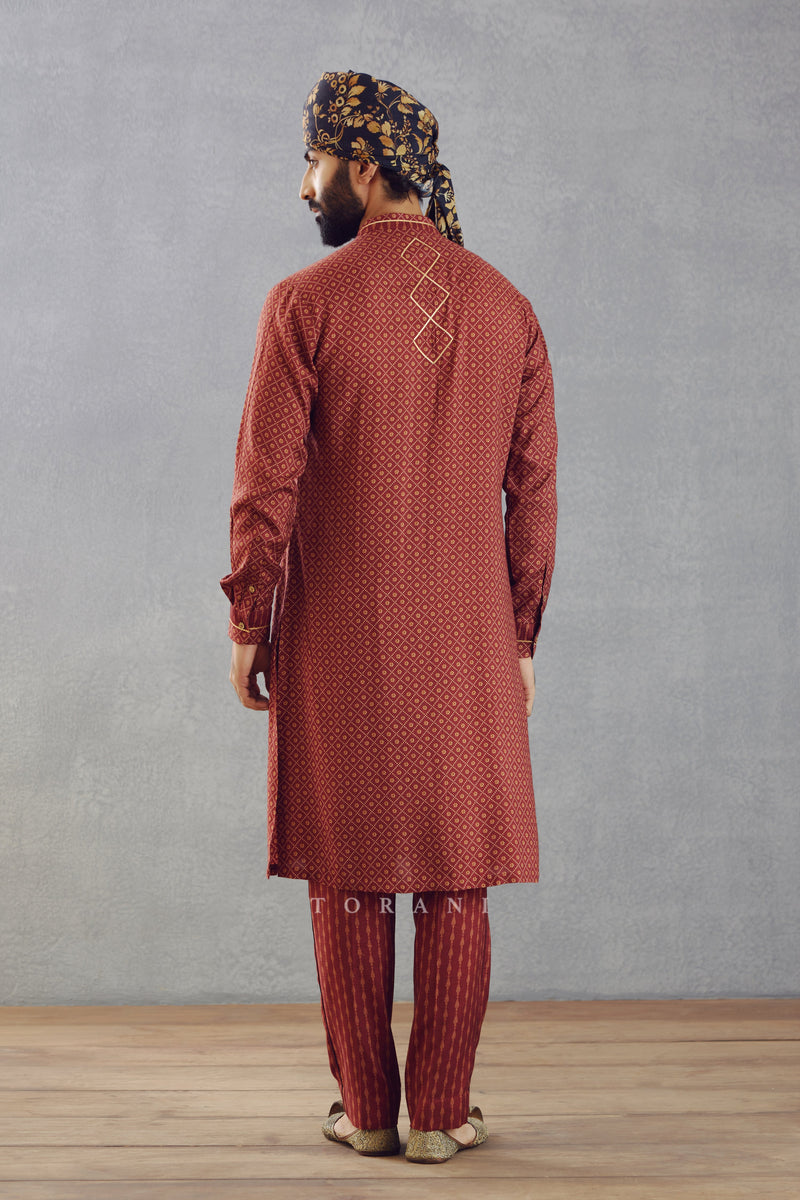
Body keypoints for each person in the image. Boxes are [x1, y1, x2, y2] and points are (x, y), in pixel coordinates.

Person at [220, 69, 558, 1164]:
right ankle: (440, 1117)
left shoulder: (304, 304)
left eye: (314, 161)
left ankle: (366, 1113)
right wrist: (519, 635)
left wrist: (248, 616)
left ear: (364, 168)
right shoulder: (508, 307)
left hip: (339, 633)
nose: (304, 184)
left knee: (350, 868)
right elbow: (534, 493)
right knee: (457, 868)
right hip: (468, 635)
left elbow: (265, 481)